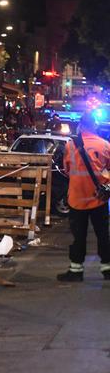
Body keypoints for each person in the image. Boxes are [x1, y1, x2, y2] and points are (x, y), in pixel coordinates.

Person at [57, 110, 110, 282]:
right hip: (98, 198)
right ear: (94, 125)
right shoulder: (105, 145)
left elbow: (66, 169)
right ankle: (107, 268)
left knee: (78, 236)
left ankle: (76, 271)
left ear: (81, 126)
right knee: (103, 234)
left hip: (77, 200)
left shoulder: (71, 145)